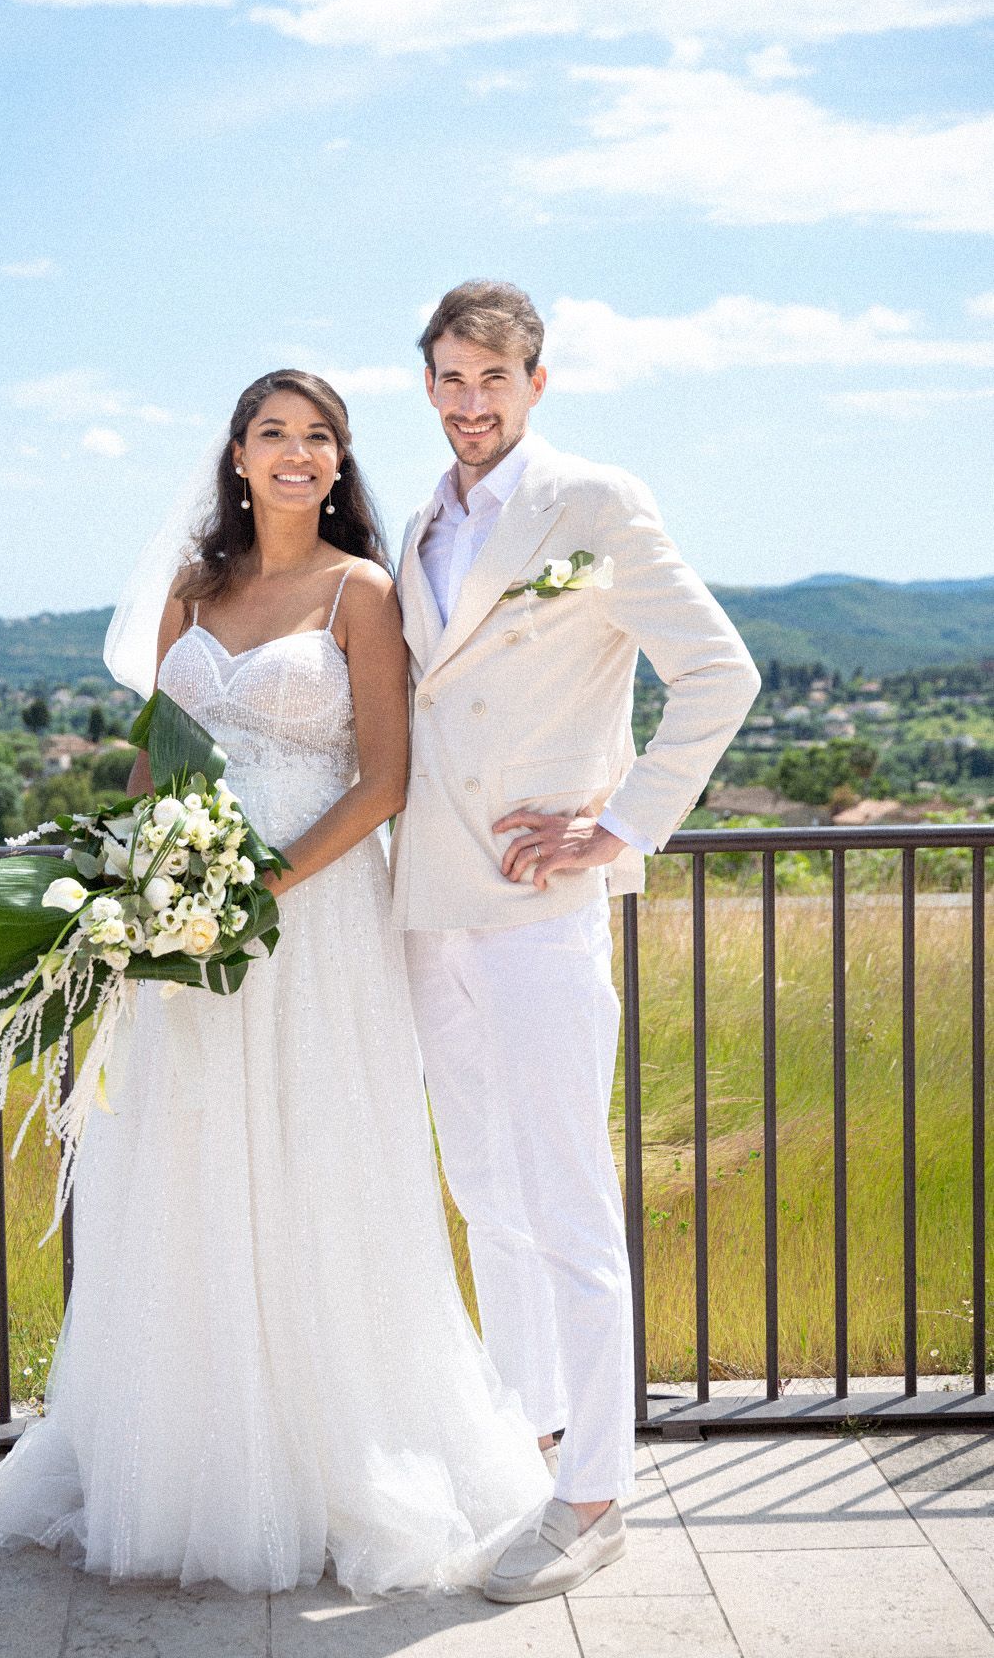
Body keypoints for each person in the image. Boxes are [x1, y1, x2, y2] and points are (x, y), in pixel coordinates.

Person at [0, 368, 549, 1596]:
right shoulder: (192, 586)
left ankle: (328, 1455)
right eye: (272, 433)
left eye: (317, 436)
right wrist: (130, 892)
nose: (294, 453)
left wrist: (257, 887)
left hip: (309, 918)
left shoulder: (360, 591)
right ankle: (182, 1459)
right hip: (180, 936)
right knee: (181, 1165)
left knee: (316, 1162)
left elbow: (383, 779)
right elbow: (148, 757)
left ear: (340, 463)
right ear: (236, 455)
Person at [392, 281, 762, 1605]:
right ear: (427, 384)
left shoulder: (591, 504)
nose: (469, 401)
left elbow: (719, 673)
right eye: (447, 378)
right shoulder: (421, 518)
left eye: (492, 378)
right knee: (484, 1193)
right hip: (429, 901)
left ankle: (596, 1495)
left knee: (564, 1200)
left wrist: (621, 826)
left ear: (536, 383)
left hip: (539, 904)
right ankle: (530, 1449)